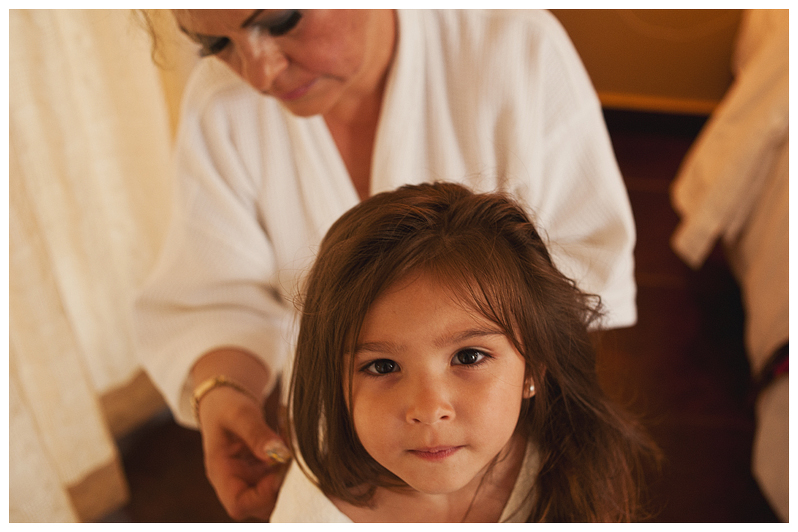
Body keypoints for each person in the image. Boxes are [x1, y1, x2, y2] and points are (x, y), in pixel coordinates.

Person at [134, 9, 638, 521]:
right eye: (216, 45)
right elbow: (219, 293)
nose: (260, 74)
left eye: (283, 20)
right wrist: (225, 392)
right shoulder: (222, 101)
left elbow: (582, 262)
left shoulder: (513, 45)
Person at [270, 182, 655, 522]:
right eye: (383, 366)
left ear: (534, 367)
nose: (428, 409)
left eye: (468, 357)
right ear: (335, 383)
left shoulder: (573, 467)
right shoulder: (311, 515)